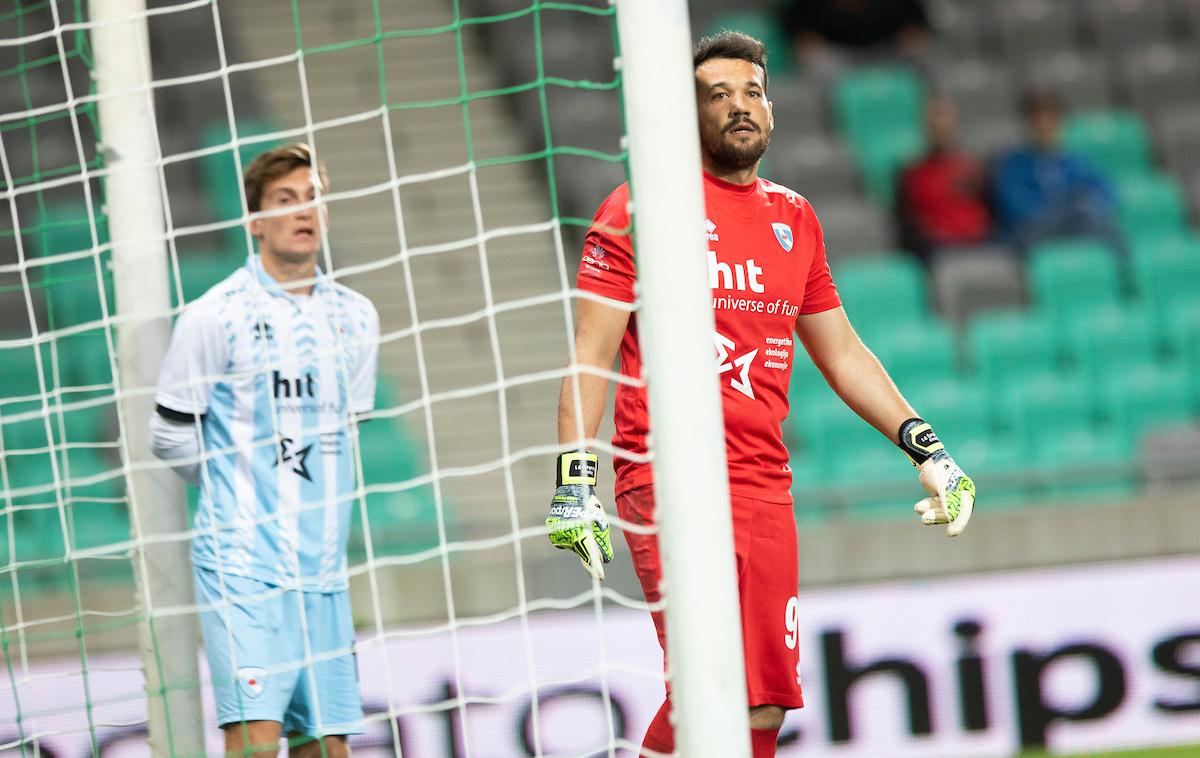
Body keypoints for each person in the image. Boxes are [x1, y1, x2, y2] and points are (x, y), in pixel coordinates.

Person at [545, 32, 976, 758]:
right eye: (717, 95)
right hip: (668, 477)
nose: (739, 107)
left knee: (765, 705)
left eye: (752, 92)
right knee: (711, 688)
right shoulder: (638, 208)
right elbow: (591, 351)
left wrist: (928, 450)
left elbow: (841, 352)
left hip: (762, 483)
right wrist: (572, 480)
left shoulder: (794, 217)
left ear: (772, 111)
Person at [150, 144, 379, 757]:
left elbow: (344, 429)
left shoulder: (357, 319)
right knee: (255, 741)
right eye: (285, 200)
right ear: (254, 220)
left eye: (313, 199)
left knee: (326, 747)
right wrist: (236, 481)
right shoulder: (213, 317)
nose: (303, 212)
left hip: (324, 572)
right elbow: (168, 434)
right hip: (243, 565)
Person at [992, 91, 1123, 255]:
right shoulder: (1013, 164)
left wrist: (1087, 204)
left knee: (1101, 224)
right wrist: (1061, 211)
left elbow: (1106, 191)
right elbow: (1017, 207)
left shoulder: (1073, 160)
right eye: (1037, 122)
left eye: (1051, 121)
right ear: (1028, 125)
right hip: (1032, 231)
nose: (1044, 127)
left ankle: (1124, 271)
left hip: (1072, 224)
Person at [897, 95, 992, 260]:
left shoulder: (973, 167)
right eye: (935, 120)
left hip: (981, 244)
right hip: (939, 250)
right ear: (925, 126)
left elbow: (990, 213)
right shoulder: (912, 174)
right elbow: (908, 226)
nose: (940, 126)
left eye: (945, 119)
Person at [780, 0, 932, 78]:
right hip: (835, 57)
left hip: (888, 53)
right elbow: (799, 32)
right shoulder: (810, 5)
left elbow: (916, 28)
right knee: (819, 64)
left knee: (922, 58)